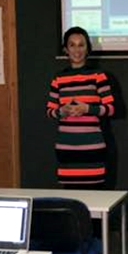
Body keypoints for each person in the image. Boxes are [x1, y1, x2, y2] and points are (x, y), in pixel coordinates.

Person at [46, 26, 117, 188]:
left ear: (87, 49)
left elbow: (111, 108)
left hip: (93, 148)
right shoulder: (59, 78)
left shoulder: (98, 76)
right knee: (72, 201)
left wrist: (88, 109)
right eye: (72, 45)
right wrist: (61, 111)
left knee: (96, 199)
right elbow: (49, 112)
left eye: (81, 45)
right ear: (65, 49)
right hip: (67, 149)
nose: (77, 50)